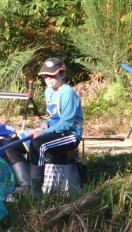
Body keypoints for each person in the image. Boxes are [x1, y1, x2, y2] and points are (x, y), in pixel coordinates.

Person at [6, 57, 83, 195]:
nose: (48, 79)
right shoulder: (48, 91)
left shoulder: (67, 93)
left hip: (70, 134)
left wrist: (44, 132)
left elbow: (67, 123)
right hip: (53, 130)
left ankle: (36, 192)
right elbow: (51, 116)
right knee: (12, 144)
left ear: (62, 74)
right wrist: (44, 123)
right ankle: (25, 185)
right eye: (45, 76)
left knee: (38, 145)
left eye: (52, 75)